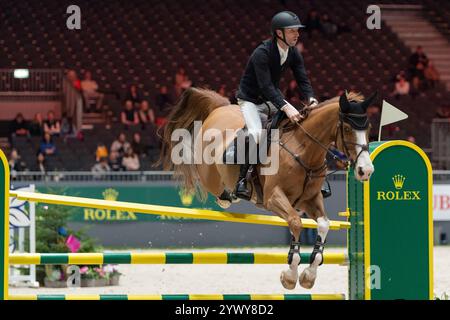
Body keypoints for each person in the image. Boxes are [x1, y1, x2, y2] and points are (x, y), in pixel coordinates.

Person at [234, 11, 318, 199]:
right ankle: (241, 181)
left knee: (299, 126)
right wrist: (285, 106)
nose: (297, 34)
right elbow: (265, 86)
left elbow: (302, 80)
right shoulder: (261, 53)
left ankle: (316, 178)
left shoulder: (293, 52)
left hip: (270, 98)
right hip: (250, 100)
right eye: (292, 31)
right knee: (256, 134)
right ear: (279, 33)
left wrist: (311, 99)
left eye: (297, 31)